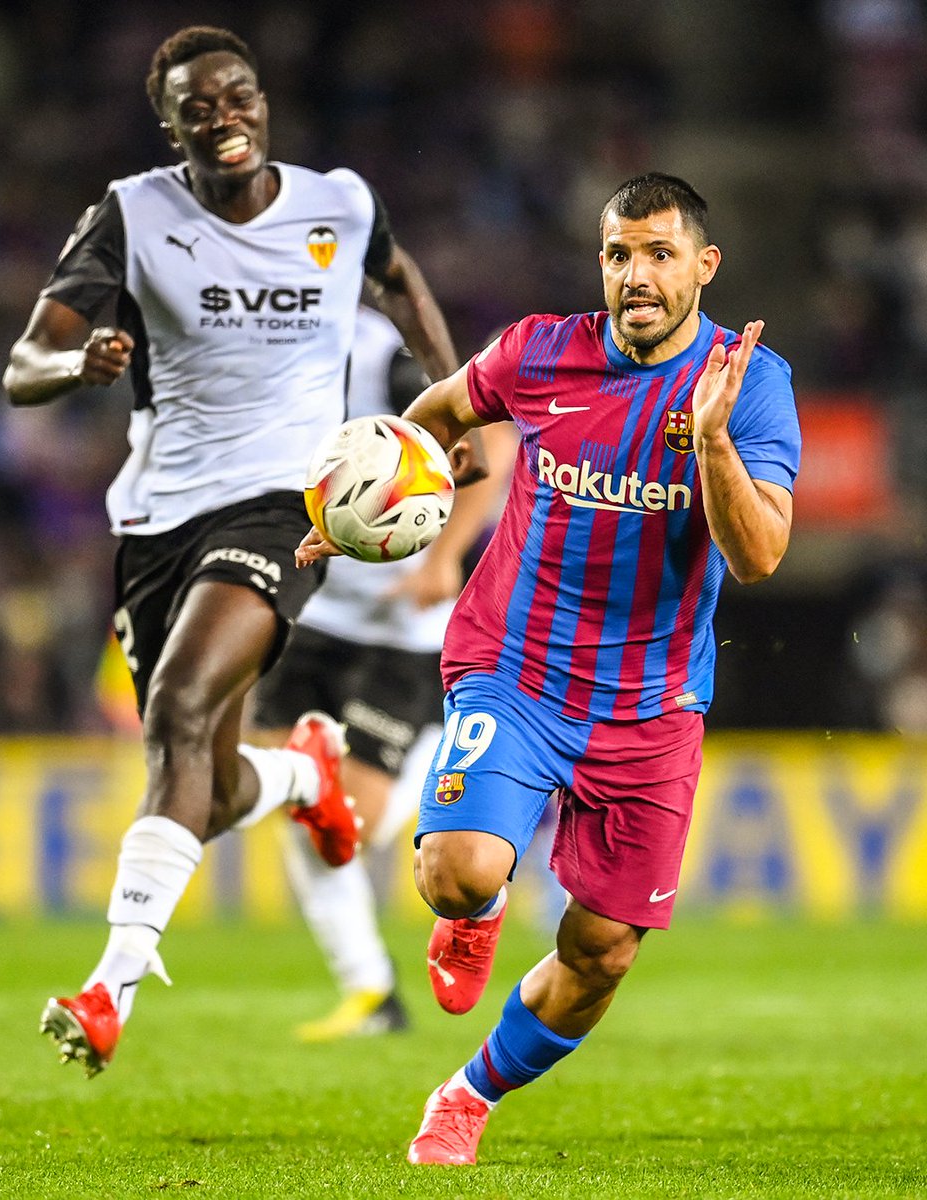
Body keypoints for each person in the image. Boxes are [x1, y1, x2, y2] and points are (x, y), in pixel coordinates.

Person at [299, 171, 801, 1165]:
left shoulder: (753, 384)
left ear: (703, 267)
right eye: (619, 253)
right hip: (513, 670)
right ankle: (476, 912)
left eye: (660, 254)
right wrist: (363, 507)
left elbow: (759, 555)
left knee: (602, 952)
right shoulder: (538, 352)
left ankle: (467, 1094)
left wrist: (709, 443)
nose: (636, 274)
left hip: (651, 708)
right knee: (457, 871)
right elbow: (440, 415)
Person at [2, 24, 459, 1079]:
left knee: (172, 707)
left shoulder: (338, 204)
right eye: (197, 105)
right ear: (170, 124)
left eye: (239, 95)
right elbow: (27, 358)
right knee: (197, 780)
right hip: (158, 515)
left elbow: (401, 282)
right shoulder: (133, 214)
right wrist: (77, 361)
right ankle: (301, 777)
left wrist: (452, 415)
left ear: (263, 103)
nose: (224, 116)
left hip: (284, 509)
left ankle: (109, 989)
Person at [251, 304, 513, 1041]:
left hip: (404, 625)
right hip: (321, 611)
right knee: (298, 803)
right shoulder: (262, 350)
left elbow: (492, 435)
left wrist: (446, 556)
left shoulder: (381, 354)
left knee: (352, 822)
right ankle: (370, 992)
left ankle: (434, 760)